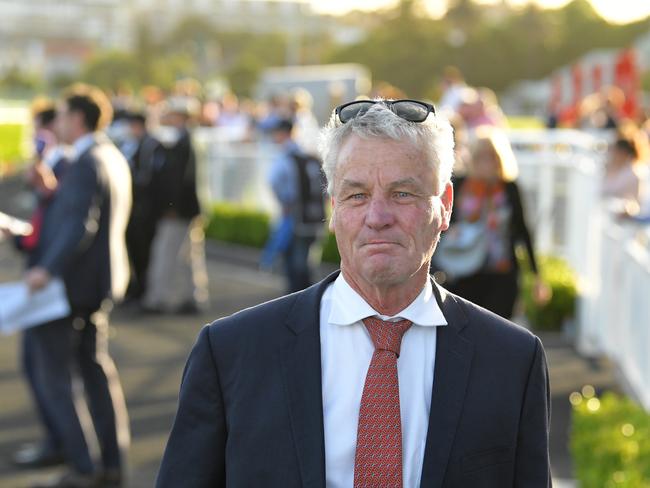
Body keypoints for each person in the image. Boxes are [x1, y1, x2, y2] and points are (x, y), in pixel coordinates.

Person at [157, 99, 551, 487]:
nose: (377, 217)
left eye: (403, 194)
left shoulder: (512, 361)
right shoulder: (231, 352)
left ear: (445, 205)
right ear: (333, 207)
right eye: (357, 195)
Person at [24, 84, 131, 488]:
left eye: (64, 115)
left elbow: (79, 225)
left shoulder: (86, 161)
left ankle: (83, 469)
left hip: (72, 287)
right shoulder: (110, 155)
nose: (58, 123)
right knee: (96, 372)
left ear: (78, 119)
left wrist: (45, 270)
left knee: (54, 375)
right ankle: (111, 465)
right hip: (100, 283)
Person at [10, 100, 71, 470]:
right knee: (37, 366)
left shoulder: (72, 164)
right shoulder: (56, 164)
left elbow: (70, 224)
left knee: (49, 370)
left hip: (54, 283)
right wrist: (20, 236)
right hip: (45, 275)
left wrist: (50, 193)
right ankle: (59, 443)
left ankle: (67, 449)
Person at [434, 126, 548, 319]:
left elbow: (522, 231)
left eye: (491, 156)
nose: (486, 163)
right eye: (480, 156)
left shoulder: (509, 189)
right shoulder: (459, 185)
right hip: (464, 272)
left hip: (501, 273)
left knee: (499, 333)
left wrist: (536, 276)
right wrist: (449, 233)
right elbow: (440, 222)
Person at [141, 98, 208, 314]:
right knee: (188, 255)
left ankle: (157, 299)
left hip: (179, 210)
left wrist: (171, 207)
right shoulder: (184, 140)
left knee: (166, 253)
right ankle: (193, 296)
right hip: (186, 209)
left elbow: (180, 179)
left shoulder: (183, 142)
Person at [264, 118, 323, 293]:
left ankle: (299, 302)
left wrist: (284, 202)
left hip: (294, 215)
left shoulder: (286, 157)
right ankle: (313, 299)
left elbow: (273, 181)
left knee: (295, 264)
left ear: (282, 133)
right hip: (314, 216)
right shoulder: (309, 155)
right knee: (307, 261)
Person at [122, 111, 166, 302]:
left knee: (143, 250)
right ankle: (136, 286)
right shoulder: (133, 145)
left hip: (144, 209)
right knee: (133, 249)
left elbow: (148, 178)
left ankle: (143, 288)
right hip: (134, 207)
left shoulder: (152, 145)